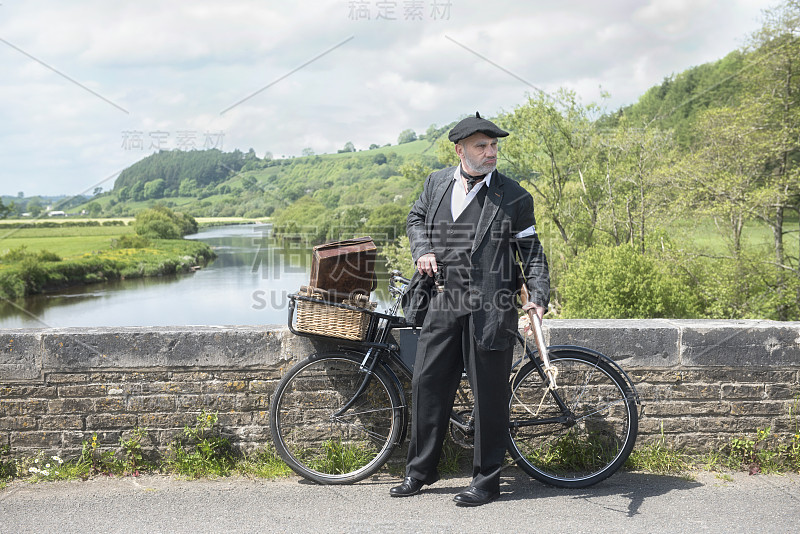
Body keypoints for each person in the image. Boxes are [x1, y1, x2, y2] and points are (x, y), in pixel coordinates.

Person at [392, 112, 550, 506]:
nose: (491, 152)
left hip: (491, 306)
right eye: (482, 146)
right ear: (460, 150)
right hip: (442, 301)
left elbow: (531, 253)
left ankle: (486, 481)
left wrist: (538, 297)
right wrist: (422, 249)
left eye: (494, 145)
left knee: (489, 396)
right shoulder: (436, 183)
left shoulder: (514, 196)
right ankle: (421, 472)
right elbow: (414, 219)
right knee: (428, 386)